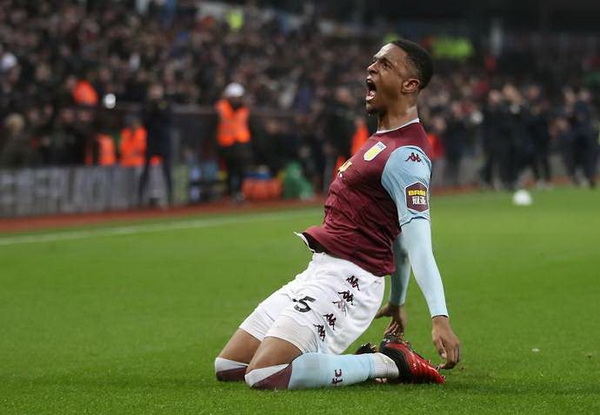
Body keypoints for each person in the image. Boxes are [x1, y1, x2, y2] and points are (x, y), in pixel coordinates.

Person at [214, 39, 461, 390]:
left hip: (351, 280)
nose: (371, 68)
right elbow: (397, 239)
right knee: (229, 365)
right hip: (320, 271)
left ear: (410, 85)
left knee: (264, 374)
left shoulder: (407, 156)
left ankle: (388, 363)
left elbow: (418, 244)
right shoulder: (380, 141)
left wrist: (439, 317)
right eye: (374, 60)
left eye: (386, 65)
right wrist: (397, 300)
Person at [215, 82, 252, 203]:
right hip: (227, 143)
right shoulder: (221, 107)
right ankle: (230, 193)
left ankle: (239, 193)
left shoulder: (244, 109)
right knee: (229, 170)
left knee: (241, 170)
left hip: (241, 143)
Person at [138, 83, 173, 206]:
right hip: (151, 140)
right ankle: (140, 197)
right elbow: (144, 121)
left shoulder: (166, 103)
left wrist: (158, 109)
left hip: (164, 140)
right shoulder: (146, 105)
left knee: (166, 169)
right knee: (146, 169)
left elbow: (169, 118)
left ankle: (170, 196)